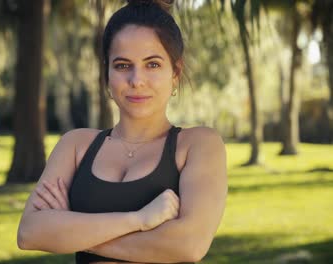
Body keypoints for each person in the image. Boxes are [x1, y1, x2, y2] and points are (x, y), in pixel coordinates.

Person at [17, 0, 227, 263]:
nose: (136, 80)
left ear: (175, 72)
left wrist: (71, 230)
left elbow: (188, 245)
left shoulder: (198, 144)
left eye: (152, 64)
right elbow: (30, 232)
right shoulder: (75, 145)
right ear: (107, 73)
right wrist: (139, 220)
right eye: (122, 65)